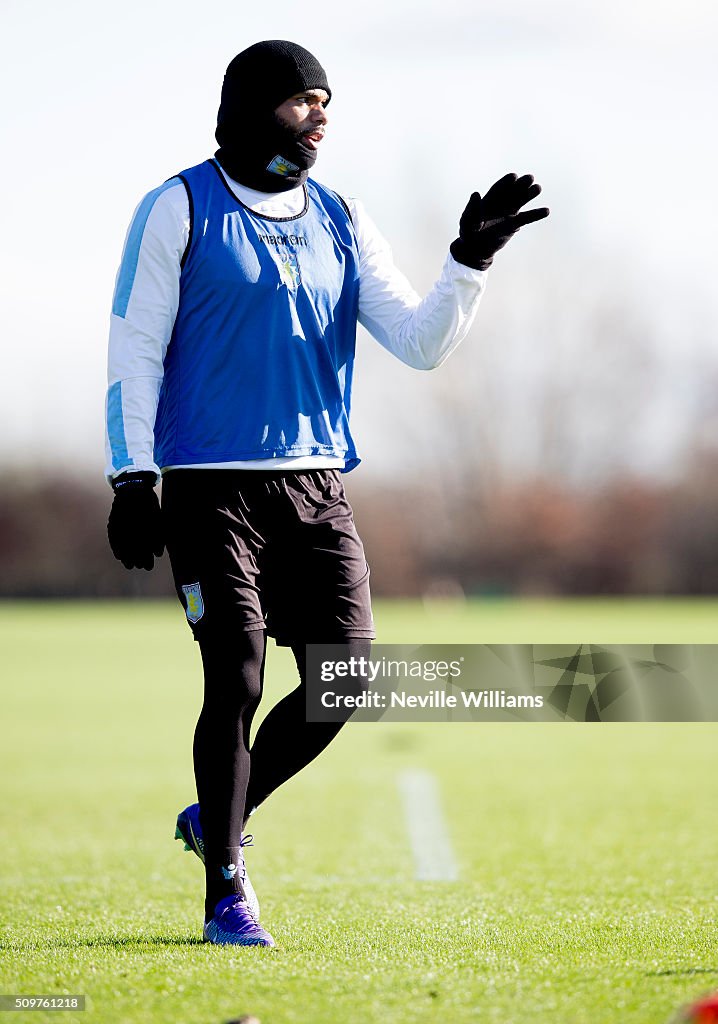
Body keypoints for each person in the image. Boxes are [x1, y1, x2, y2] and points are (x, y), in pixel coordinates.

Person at [105, 39, 549, 948]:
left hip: (315, 490)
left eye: (326, 103)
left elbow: (421, 343)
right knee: (235, 676)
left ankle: (216, 816)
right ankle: (227, 890)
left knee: (345, 684)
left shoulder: (344, 218)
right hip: (206, 490)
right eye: (303, 100)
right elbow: (133, 351)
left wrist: (469, 262)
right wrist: (131, 476)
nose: (319, 117)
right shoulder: (177, 208)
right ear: (252, 106)